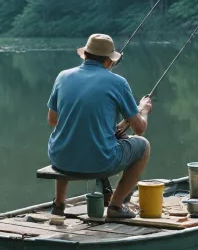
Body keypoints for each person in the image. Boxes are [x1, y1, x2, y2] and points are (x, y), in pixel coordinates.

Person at [47, 33, 152, 220]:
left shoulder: (62, 76)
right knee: (143, 146)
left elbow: (53, 120)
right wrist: (143, 110)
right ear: (108, 61)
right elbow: (139, 129)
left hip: (60, 159)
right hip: (100, 161)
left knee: (65, 136)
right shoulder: (118, 82)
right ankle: (116, 206)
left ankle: (59, 205)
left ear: (85, 55)